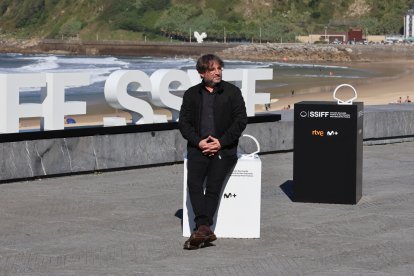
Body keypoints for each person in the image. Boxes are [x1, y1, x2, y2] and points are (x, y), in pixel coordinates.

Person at [179, 54, 247, 250]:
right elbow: (184, 123)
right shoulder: (191, 94)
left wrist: (221, 142)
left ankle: (201, 227)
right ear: (202, 73)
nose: (218, 72)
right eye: (212, 69)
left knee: (214, 187)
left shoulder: (232, 92)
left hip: (223, 150)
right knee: (193, 184)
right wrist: (199, 142)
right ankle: (204, 228)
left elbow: (241, 121)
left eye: (219, 68)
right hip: (198, 148)